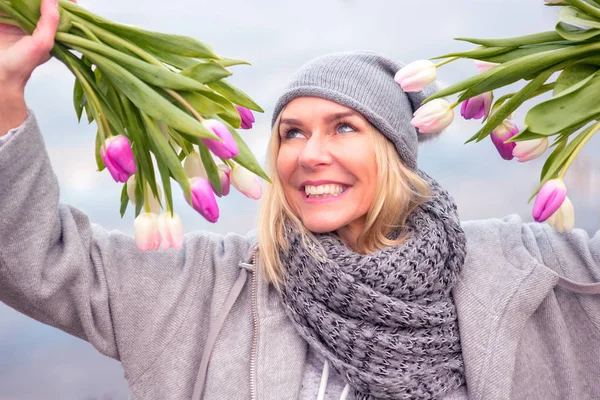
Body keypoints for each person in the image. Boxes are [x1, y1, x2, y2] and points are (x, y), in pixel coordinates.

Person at [2, 1, 600, 399]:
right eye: (291, 132)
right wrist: (5, 92)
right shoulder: (207, 289)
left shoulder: (534, 270)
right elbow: (38, 261)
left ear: (395, 151)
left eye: (344, 127)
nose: (309, 154)